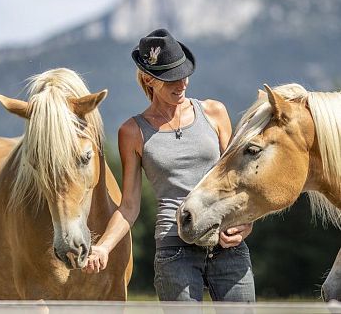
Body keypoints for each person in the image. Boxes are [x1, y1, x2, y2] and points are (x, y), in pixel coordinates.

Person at [84, 28, 255, 302]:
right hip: (175, 250)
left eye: (184, 73)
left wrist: (245, 223)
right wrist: (103, 247)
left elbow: (238, 180)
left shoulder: (214, 112)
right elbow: (129, 205)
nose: (182, 83)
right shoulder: (132, 132)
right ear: (149, 80)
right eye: (171, 78)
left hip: (226, 245)